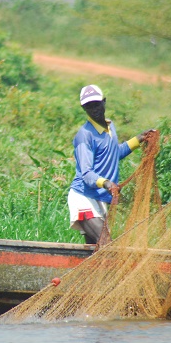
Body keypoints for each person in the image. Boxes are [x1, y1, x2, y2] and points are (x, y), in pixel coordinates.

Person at [68, 84, 151, 245]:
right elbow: (86, 173)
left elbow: (114, 154)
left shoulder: (109, 126)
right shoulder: (84, 136)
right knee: (108, 246)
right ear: (83, 108)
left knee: (94, 253)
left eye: (96, 104)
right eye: (89, 106)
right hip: (84, 197)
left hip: (100, 198)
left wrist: (139, 138)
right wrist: (107, 183)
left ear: (104, 102)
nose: (94, 109)